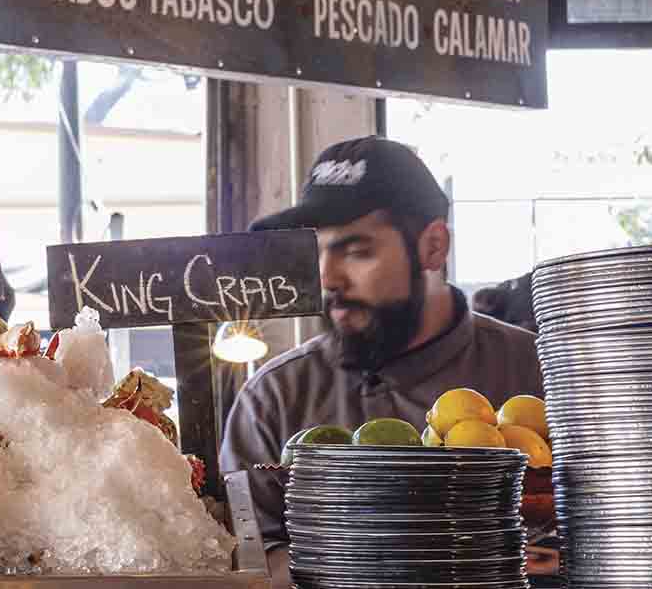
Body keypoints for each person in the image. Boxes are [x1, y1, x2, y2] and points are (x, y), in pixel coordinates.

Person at [219, 136, 549, 583]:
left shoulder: (539, 371)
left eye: (356, 251)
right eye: (317, 249)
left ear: (433, 245)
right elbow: (248, 556)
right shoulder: (274, 398)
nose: (327, 276)